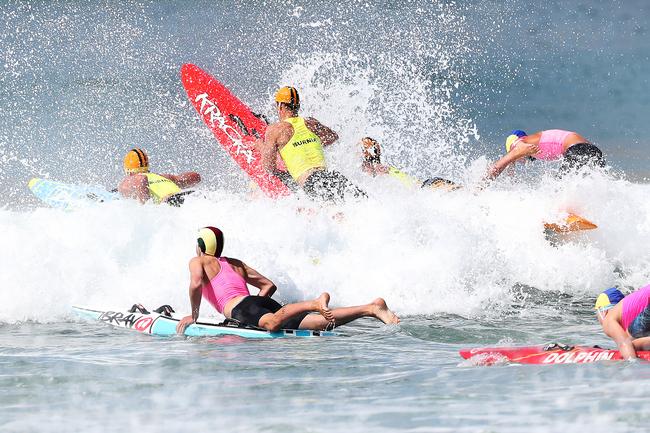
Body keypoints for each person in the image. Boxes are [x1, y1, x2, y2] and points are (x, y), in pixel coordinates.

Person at [176, 226, 400, 334]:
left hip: (242, 307)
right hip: (257, 304)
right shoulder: (234, 262)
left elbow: (196, 284)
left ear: (200, 245)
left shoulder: (199, 261)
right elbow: (268, 285)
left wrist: (193, 315)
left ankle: (314, 302)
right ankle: (372, 308)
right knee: (321, 323)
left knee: (272, 324)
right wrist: (256, 307)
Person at [256, 86, 366, 203]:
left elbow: (269, 167)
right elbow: (333, 137)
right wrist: (308, 145)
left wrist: (260, 147)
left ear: (280, 106)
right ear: (298, 106)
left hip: (311, 183)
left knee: (336, 215)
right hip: (332, 176)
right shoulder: (311, 123)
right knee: (362, 205)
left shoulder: (275, 130)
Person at [487, 129, 605, 179]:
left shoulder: (518, 145)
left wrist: (477, 190)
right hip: (594, 152)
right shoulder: (533, 143)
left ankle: (560, 215)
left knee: (560, 187)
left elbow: (497, 167)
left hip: (578, 150)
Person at [360, 137, 459, 190]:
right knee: (462, 194)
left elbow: (373, 146)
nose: (362, 168)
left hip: (426, 187)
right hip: (429, 185)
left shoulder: (380, 170)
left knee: (456, 192)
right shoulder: (381, 172)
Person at [118, 148, 201, 206]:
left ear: (128, 171)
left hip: (170, 203)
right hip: (188, 197)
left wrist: (145, 208)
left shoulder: (128, 181)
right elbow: (196, 176)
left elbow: (141, 180)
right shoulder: (164, 177)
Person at [594, 285, 650, 360]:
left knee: (631, 344)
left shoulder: (609, 318)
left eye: (597, 315)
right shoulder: (630, 309)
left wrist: (632, 365)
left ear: (604, 311)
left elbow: (624, 344)